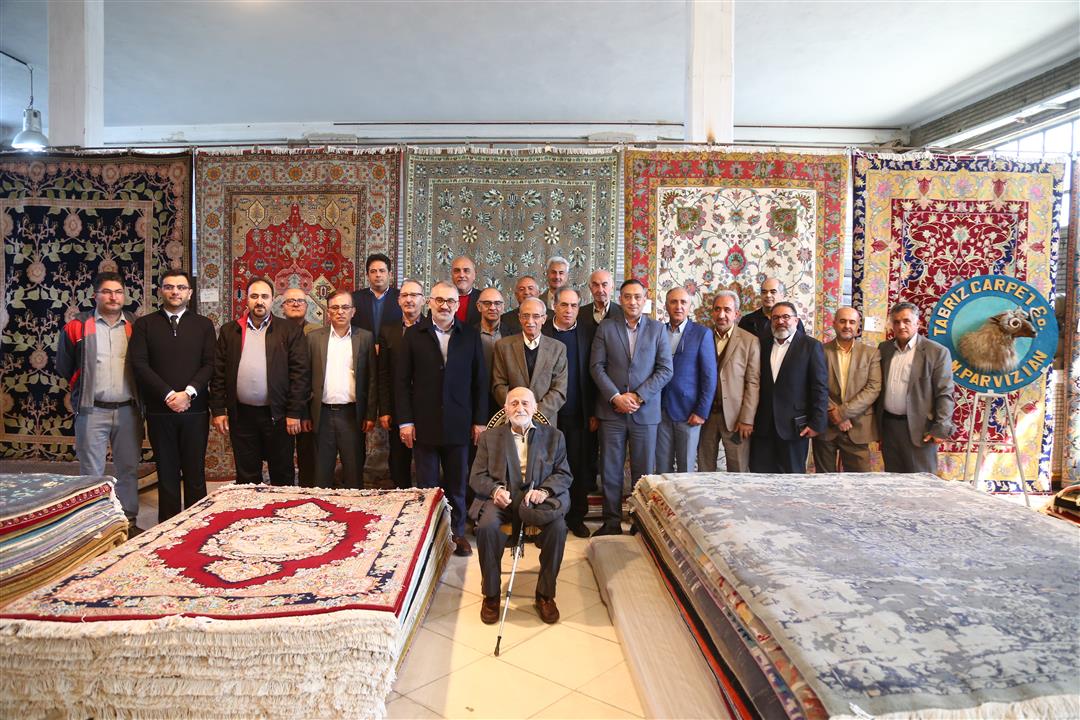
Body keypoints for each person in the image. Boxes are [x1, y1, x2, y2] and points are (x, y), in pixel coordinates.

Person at [395, 281, 488, 556]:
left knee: (458, 485)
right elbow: (401, 382)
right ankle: (429, 536)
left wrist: (479, 421)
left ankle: (457, 534)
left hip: (460, 423)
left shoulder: (470, 335)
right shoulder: (414, 335)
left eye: (450, 301)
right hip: (424, 423)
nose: (444, 305)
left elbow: (480, 381)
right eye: (439, 300)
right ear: (430, 303)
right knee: (427, 486)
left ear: (457, 305)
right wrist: (405, 422)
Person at [471, 387, 572, 625]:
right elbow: (476, 476)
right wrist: (495, 491)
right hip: (502, 501)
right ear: (505, 409)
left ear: (535, 408)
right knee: (486, 527)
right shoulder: (489, 438)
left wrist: (544, 492)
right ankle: (491, 595)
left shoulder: (554, 436)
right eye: (514, 403)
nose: (520, 408)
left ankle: (545, 594)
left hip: (538, 502)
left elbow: (564, 474)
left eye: (525, 403)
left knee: (558, 528)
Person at [56, 271, 143, 535]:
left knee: (128, 469)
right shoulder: (77, 326)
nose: (113, 297)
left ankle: (128, 522)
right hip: (92, 410)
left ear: (124, 295)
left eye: (118, 292)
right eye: (107, 292)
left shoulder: (135, 325)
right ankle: (95, 527)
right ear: (95, 295)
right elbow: (64, 366)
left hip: (128, 410)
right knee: (91, 472)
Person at [129, 270, 216, 522]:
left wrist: (188, 393)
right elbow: (140, 364)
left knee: (195, 473)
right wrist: (168, 395)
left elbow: (210, 364)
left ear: (189, 293)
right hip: (160, 411)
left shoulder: (203, 325)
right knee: (166, 474)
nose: (175, 291)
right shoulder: (144, 325)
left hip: (195, 410)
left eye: (181, 287)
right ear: (161, 291)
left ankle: (195, 526)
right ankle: (168, 528)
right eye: (169, 287)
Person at [590, 279, 673, 536]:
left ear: (645, 299)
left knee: (643, 472)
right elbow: (596, 367)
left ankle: (640, 523)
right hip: (612, 412)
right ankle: (611, 522)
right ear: (621, 299)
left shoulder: (658, 329)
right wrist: (616, 397)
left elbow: (665, 369)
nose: (632, 301)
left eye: (637, 297)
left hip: (645, 413)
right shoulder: (606, 327)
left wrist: (638, 396)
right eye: (627, 296)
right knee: (610, 470)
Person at [210, 277, 309, 486]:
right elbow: (218, 373)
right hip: (242, 415)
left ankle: (281, 507)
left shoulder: (289, 330)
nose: (259, 301)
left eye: (264, 296)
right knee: (247, 476)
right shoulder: (230, 331)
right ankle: (250, 507)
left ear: (273, 300)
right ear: (246, 300)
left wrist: (294, 412)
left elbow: (300, 374)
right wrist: (218, 410)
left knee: (282, 473)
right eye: (254, 296)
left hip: (278, 416)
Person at [306, 289, 377, 489]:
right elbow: (305, 378)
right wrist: (304, 414)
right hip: (322, 414)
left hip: (352, 415)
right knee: (321, 474)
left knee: (354, 473)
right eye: (335, 308)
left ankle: (353, 508)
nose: (340, 312)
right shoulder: (313, 338)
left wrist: (370, 414)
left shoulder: (365, 338)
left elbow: (372, 379)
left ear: (353, 311)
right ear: (328, 312)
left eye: (345, 307)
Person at [875, 302, 955, 474]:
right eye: (896, 322)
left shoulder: (936, 352)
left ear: (917, 323)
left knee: (921, 482)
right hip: (889, 427)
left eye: (906, 321)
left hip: (920, 429)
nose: (901, 326)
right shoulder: (884, 348)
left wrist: (941, 428)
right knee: (892, 480)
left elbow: (944, 393)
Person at [543, 288, 597, 538]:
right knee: (546, 468)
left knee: (577, 467)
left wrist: (593, 412)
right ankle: (549, 520)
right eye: (564, 305)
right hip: (547, 415)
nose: (569, 310)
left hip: (578, 413)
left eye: (574, 306)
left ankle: (576, 517)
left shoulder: (589, 333)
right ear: (554, 305)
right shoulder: (542, 330)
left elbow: (595, 375)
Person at [749, 301, 828, 474]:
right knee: (760, 478)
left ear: (796, 321)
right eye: (776, 318)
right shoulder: (761, 344)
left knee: (793, 480)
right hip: (763, 427)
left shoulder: (811, 346)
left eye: (786, 317)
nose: (780, 321)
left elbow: (820, 388)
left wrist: (817, 423)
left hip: (795, 428)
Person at [812, 307, 881, 473]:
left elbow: (873, 388)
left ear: (858, 326)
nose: (847, 326)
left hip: (857, 426)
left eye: (852, 322)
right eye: (842, 321)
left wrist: (842, 413)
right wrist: (833, 413)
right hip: (826, 425)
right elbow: (814, 385)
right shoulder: (819, 350)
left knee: (861, 482)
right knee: (824, 481)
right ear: (834, 323)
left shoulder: (871, 354)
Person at [697, 291, 760, 472]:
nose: (721, 315)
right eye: (717, 309)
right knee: (704, 470)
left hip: (736, 418)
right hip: (706, 415)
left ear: (736, 313)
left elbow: (753, 383)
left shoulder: (750, 341)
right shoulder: (702, 336)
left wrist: (747, 419)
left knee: (738, 470)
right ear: (712, 312)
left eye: (727, 310)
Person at [657, 287, 716, 473]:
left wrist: (701, 411)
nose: (678, 306)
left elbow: (709, 377)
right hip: (660, 411)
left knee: (686, 469)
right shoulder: (657, 331)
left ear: (690, 306)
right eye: (673, 302)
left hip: (689, 413)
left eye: (683, 302)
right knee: (662, 469)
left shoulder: (702, 334)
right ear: (666, 305)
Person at [377, 279, 425, 489]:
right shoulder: (388, 331)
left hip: (426, 407)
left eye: (414, 295)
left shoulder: (433, 328)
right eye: (405, 295)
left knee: (426, 460)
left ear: (423, 300)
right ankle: (401, 497)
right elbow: (383, 373)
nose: (409, 300)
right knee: (398, 459)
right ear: (398, 301)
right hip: (398, 406)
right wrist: (385, 409)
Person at [492, 297, 568, 427]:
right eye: (525, 316)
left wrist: (534, 413)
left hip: (545, 422)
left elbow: (559, 390)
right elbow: (498, 385)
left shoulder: (558, 348)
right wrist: (518, 410)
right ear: (519, 318)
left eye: (536, 316)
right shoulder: (503, 346)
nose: (530, 321)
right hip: (512, 420)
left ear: (544, 319)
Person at [279, 287, 319, 487]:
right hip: (280, 403)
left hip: (310, 404)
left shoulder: (317, 333)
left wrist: (304, 412)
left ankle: (307, 491)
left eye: (300, 301)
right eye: (290, 301)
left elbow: (316, 372)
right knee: (281, 455)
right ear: (282, 307)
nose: (295, 304)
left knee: (309, 454)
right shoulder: (274, 331)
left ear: (307, 306)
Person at [352, 253, 401, 343]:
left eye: (382, 271)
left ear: (390, 274)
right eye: (373, 271)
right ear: (367, 275)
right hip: (363, 348)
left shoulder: (401, 297)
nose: (378, 275)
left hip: (392, 348)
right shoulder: (354, 298)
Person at [739, 277, 804, 338]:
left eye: (773, 292)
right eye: (764, 292)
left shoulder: (793, 321)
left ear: (782, 295)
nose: (768, 295)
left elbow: (802, 344)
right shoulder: (747, 321)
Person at [476, 287, 505, 412]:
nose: (493, 307)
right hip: (476, 399)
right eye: (487, 303)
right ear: (479, 306)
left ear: (503, 307)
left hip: (504, 401)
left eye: (497, 303)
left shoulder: (514, 334)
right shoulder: (468, 335)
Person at [451, 256, 482, 325]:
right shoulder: (441, 299)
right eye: (457, 271)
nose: (461, 275)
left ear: (474, 275)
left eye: (466, 271)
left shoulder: (483, 299)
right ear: (452, 275)